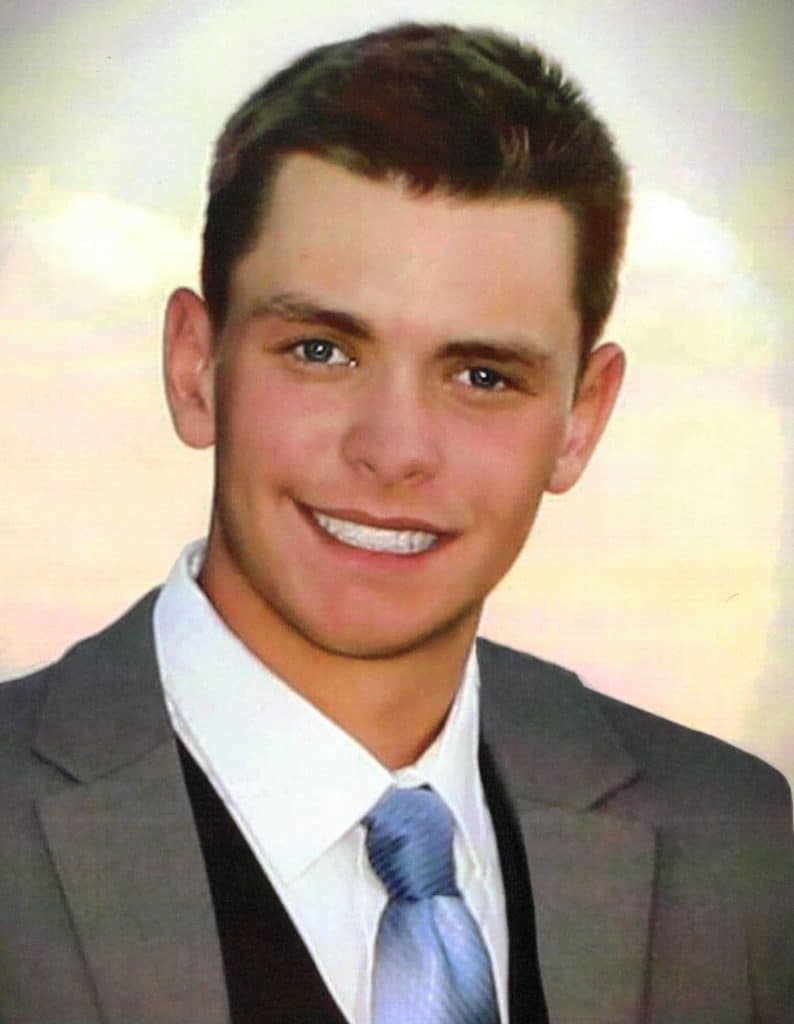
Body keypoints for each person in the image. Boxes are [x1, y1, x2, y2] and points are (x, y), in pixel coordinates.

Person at [1, 21, 791, 1024]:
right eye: (321, 351)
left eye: (482, 374)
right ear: (196, 367)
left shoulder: (735, 840)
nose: (393, 448)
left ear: (580, 422)